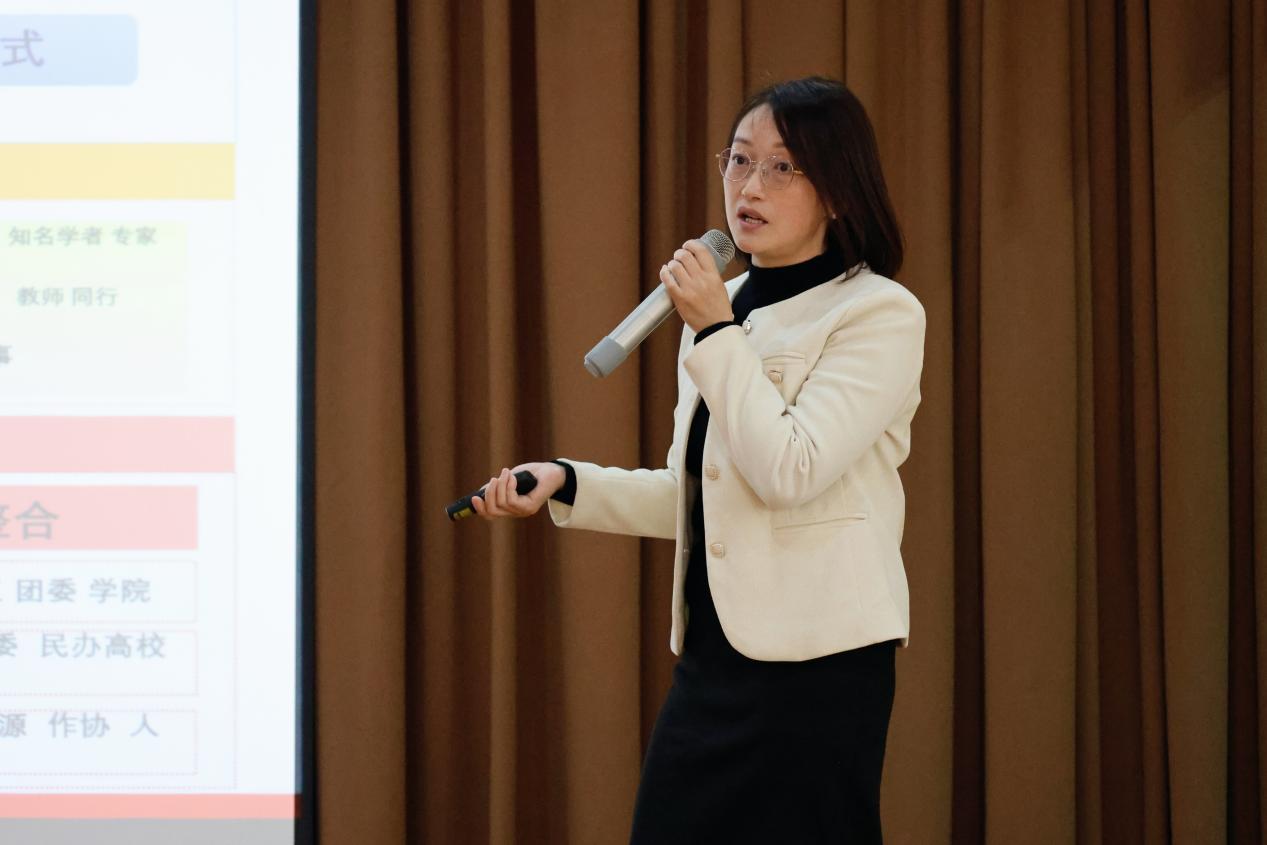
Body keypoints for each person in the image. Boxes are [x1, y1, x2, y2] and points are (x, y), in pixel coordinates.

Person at [470, 76, 925, 844]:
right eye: (738, 159)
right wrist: (568, 481)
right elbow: (706, 493)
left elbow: (789, 472)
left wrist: (716, 330)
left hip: (820, 663)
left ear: (838, 190)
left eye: (782, 166)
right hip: (713, 662)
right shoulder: (724, 307)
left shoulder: (875, 311)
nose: (749, 185)